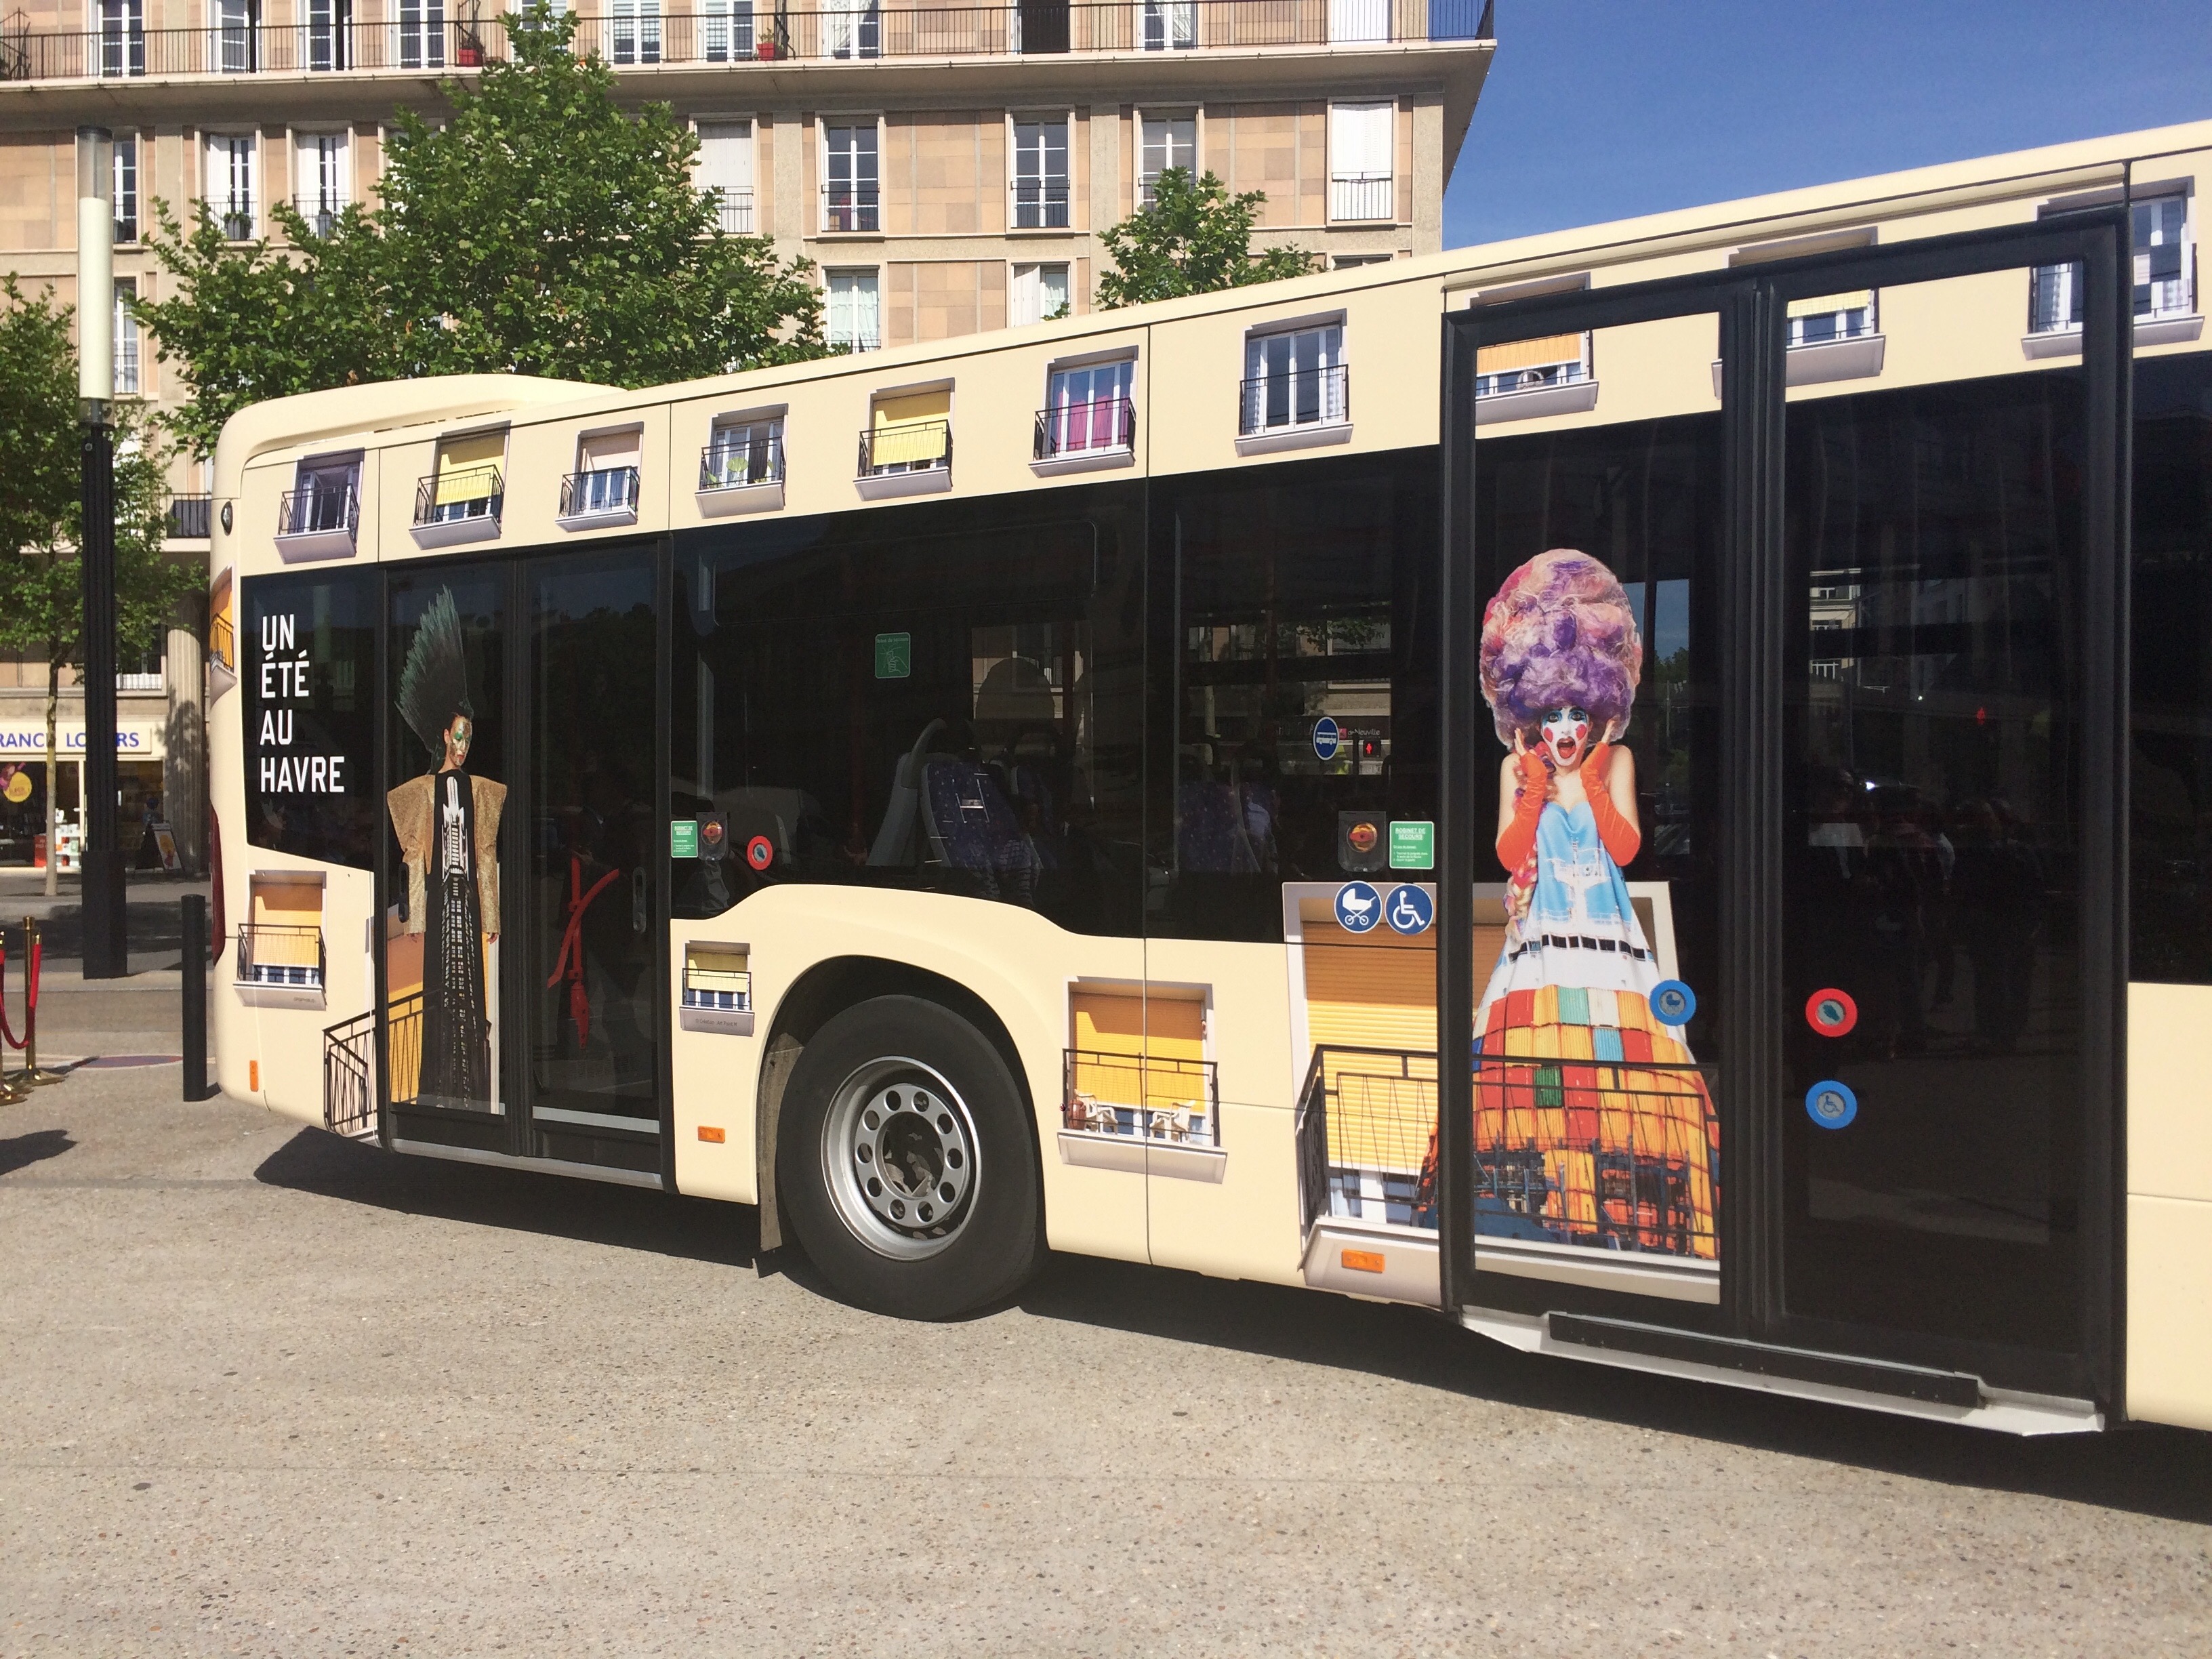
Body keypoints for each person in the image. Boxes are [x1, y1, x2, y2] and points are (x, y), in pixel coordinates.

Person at [1471, 549, 1719, 1261]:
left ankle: (1635, 1217)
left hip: (1609, 944)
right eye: (1553, 713)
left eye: (1580, 710)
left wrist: (1593, 786)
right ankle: (1550, 1213)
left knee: (1626, 1075)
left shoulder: (1619, 762)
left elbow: (1628, 846)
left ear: (1602, 706)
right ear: (1530, 714)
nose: (1568, 726)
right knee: (1540, 1076)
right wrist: (1537, 789)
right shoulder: (1516, 770)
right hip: (1541, 947)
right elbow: (1511, 854)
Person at [387, 590, 506, 1111]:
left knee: (470, 988)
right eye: (459, 735)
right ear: (444, 734)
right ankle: (441, 1082)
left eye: (470, 737)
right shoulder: (421, 792)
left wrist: (492, 911)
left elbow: (484, 855)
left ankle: (470, 1085)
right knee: (443, 987)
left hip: (466, 901)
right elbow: (415, 856)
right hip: (441, 902)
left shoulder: (479, 790)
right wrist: (414, 921)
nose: (465, 745)